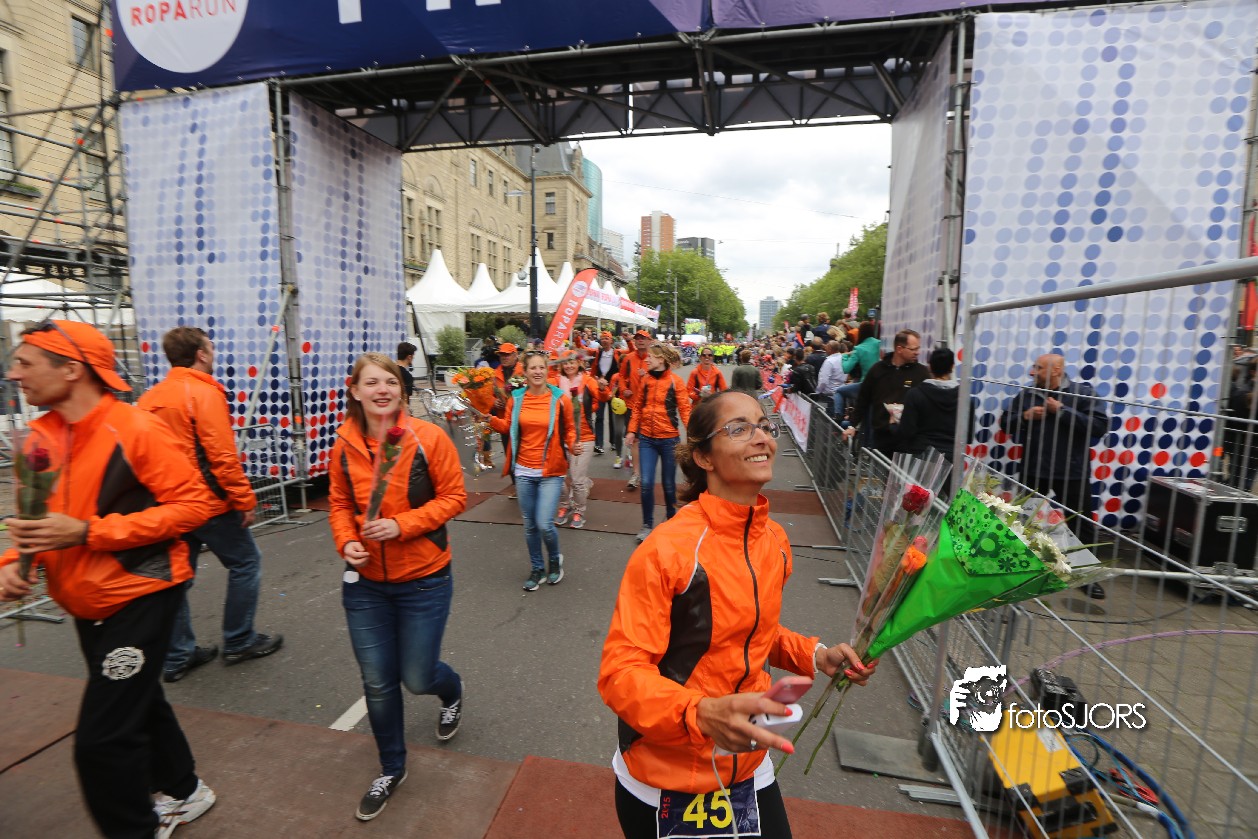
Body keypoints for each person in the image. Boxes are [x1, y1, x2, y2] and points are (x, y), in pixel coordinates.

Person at [598, 390, 877, 839]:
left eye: (765, 426)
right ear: (704, 457)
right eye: (739, 429)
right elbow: (620, 674)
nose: (761, 437)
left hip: (748, 765)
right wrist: (700, 713)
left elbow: (751, 632)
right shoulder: (666, 550)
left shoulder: (775, 541)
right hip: (664, 779)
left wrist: (816, 655)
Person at [0, 320, 219, 837]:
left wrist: (89, 532)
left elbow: (194, 506)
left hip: (140, 595)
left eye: (26, 362)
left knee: (102, 743)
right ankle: (186, 790)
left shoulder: (137, 428)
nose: (14, 374)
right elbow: (37, 522)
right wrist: (13, 563)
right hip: (84, 601)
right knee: (138, 700)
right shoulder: (38, 437)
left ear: (71, 370)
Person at [329, 352, 468, 820]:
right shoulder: (343, 443)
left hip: (424, 580)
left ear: (401, 390)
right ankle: (392, 767)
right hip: (364, 586)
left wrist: (401, 525)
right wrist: (347, 542)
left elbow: (455, 497)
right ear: (355, 391)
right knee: (377, 681)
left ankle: (451, 691)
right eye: (371, 382)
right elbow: (338, 504)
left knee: (417, 676)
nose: (382, 390)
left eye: (389, 381)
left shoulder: (428, 437)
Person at [138, 326, 284, 684]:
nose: (214, 354)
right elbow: (222, 456)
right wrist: (244, 499)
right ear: (201, 354)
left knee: (176, 578)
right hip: (207, 502)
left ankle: (178, 656)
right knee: (246, 563)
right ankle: (239, 640)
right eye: (211, 349)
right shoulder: (203, 393)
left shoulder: (150, 398)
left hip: (167, 504)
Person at [998, 353, 1109, 599]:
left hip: (1072, 472)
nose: (1032, 372)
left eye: (1038, 368)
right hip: (1034, 469)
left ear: (1056, 370)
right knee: (1023, 520)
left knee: (1081, 523)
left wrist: (1062, 411)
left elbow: (1100, 426)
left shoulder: (1082, 394)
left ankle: (1084, 574)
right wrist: (1025, 416)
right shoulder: (1028, 394)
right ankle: (1019, 571)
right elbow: (1006, 423)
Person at [489, 350, 577, 590]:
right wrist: (488, 419)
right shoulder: (516, 398)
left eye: (541, 367)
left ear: (547, 370)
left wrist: (572, 444)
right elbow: (507, 427)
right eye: (533, 368)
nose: (537, 372)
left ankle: (554, 560)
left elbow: (569, 429)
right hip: (523, 471)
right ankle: (537, 567)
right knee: (529, 525)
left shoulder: (560, 399)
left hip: (551, 471)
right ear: (525, 372)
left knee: (544, 524)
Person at [624, 343, 691, 543]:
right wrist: (631, 431)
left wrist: (693, 436)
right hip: (646, 439)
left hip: (669, 440)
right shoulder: (645, 380)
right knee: (646, 483)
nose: (646, 359)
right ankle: (647, 525)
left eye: (650, 357)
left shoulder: (676, 382)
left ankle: (671, 519)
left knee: (668, 485)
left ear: (661, 359)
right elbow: (637, 408)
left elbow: (685, 410)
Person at [844, 329, 928, 456]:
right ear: (899, 349)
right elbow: (863, 399)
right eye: (913, 349)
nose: (917, 352)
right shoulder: (877, 370)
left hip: (909, 439)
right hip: (882, 436)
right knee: (881, 467)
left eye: (918, 348)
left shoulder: (922, 373)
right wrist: (852, 426)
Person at [554, 350, 611, 530]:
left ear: (579, 363)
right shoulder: (555, 382)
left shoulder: (588, 380)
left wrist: (602, 388)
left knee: (577, 479)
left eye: (572, 362)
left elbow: (603, 397)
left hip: (583, 437)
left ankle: (579, 511)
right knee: (558, 478)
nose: (569, 365)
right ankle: (564, 506)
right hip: (559, 437)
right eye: (565, 363)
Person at [896, 346, 973, 469]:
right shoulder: (965, 399)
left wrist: (894, 424)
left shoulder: (914, 394)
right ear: (953, 367)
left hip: (920, 459)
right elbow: (967, 437)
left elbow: (907, 432)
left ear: (930, 367)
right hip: (952, 460)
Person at [618, 330, 653, 490]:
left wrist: (647, 375)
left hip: (651, 406)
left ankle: (647, 470)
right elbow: (621, 377)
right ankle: (636, 474)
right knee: (635, 440)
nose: (640, 341)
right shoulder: (628, 358)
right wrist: (624, 389)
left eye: (643, 338)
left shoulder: (653, 358)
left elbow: (663, 377)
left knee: (649, 440)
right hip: (632, 406)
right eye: (637, 338)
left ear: (649, 341)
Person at [832, 320, 881, 419]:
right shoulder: (880, 343)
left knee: (839, 391)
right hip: (881, 385)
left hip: (865, 385)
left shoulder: (859, 348)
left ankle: (838, 416)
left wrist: (844, 356)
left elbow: (846, 368)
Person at [591, 331, 621, 457]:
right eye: (602, 338)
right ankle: (599, 444)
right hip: (600, 389)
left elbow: (631, 351)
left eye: (606, 338)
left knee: (612, 417)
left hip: (613, 389)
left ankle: (613, 442)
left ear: (611, 341)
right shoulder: (598, 353)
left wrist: (629, 341)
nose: (604, 341)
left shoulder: (617, 353)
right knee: (599, 417)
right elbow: (593, 370)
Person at [815, 340, 847, 418]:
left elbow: (823, 380)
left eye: (827, 347)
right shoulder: (844, 359)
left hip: (829, 396)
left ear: (830, 349)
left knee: (828, 420)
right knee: (839, 418)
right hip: (842, 394)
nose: (825, 348)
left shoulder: (829, 361)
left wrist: (818, 391)